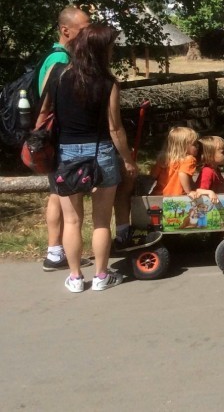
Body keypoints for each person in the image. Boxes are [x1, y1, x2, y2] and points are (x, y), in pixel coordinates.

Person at [37, 23, 138, 292]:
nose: (114, 50)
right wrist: (127, 159)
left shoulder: (57, 75)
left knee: (72, 220)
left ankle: (75, 277)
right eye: (111, 46)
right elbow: (115, 128)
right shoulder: (108, 83)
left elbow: (44, 113)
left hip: (65, 153)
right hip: (100, 152)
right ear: (100, 50)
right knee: (102, 220)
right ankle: (102, 276)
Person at [40, 6, 92, 272]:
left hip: (54, 138)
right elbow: (48, 103)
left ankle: (55, 251)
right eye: (83, 29)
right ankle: (58, 252)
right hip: (59, 138)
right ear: (66, 30)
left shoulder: (55, 56)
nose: (88, 33)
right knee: (63, 199)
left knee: (56, 195)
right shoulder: (59, 60)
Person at [150, 126, 217, 201]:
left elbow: (153, 176)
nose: (197, 146)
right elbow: (182, 174)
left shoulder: (163, 159)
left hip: (158, 196)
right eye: (194, 144)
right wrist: (189, 191)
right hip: (176, 198)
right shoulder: (189, 159)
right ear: (183, 146)